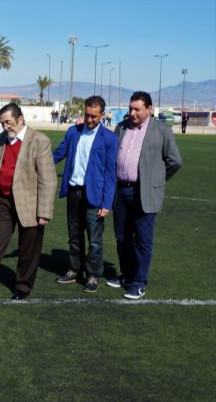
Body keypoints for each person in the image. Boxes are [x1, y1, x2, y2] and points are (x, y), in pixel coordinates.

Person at [0, 104, 57, 300]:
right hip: (3, 200)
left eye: (8, 122)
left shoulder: (39, 141)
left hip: (30, 204)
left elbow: (48, 179)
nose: (5, 127)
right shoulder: (0, 140)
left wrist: (44, 211)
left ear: (20, 119)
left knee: (28, 250)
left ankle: (22, 287)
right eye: (2, 123)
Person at [108, 91, 182, 299]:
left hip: (144, 193)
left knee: (142, 240)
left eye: (137, 109)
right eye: (131, 108)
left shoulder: (161, 130)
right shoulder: (121, 127)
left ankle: (139, 282)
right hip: (121, 191)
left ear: (149, 109)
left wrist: (155, 181)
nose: (132, 112)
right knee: (122, 238)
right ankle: (127, 275)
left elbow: (175, 161)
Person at [53, 96, 118, 293]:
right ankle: (74, 269)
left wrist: (107, 203)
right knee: (74, 235)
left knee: (95, 240)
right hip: (74, 192)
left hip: (95, 196)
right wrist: (38, 162)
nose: (89, 120)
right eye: (86, 115)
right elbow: (59, 153)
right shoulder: (73, 132)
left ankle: (93, 274)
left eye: (93, 116)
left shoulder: (109, 138)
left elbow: (110, 173)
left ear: (102, 115)